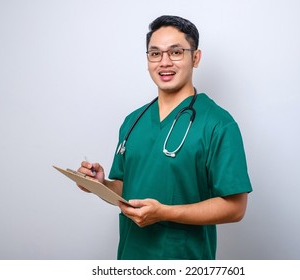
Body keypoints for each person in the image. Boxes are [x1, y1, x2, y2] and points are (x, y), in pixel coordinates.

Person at [77, 15, 252, 260]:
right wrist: (101, 185)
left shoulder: (218, 124)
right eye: (155, 54)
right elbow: (130, 188)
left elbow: (235, 208)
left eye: (176, 52)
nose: (164, 62)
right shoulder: (133, 121)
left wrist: (165, 213)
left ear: (196, 58)